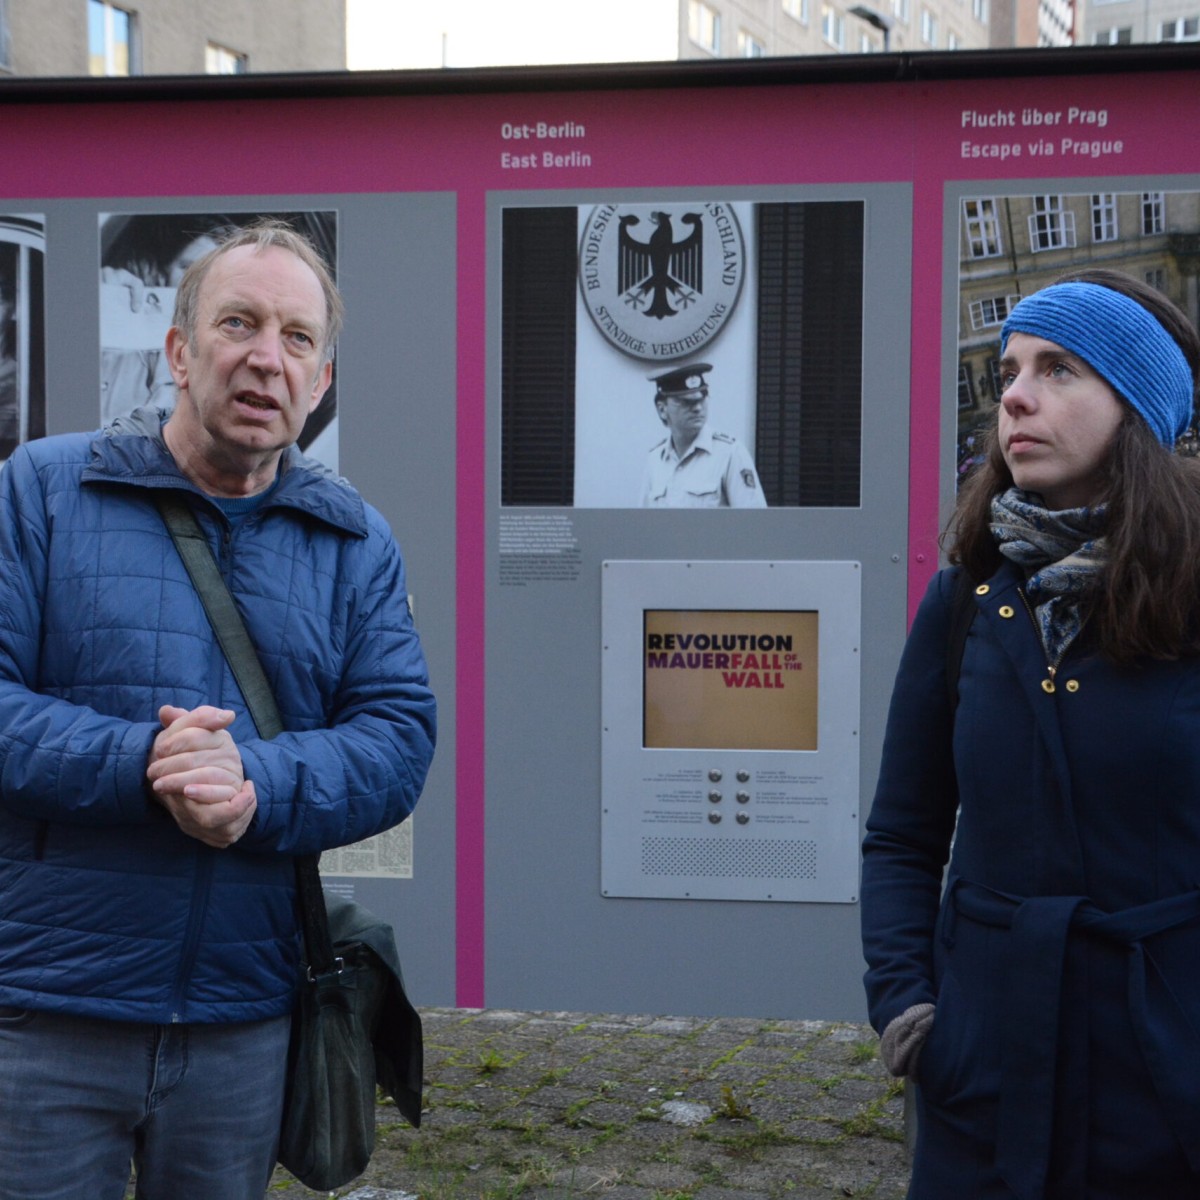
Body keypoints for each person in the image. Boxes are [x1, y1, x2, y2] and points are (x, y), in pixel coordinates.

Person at [0, 219, 436, 1198]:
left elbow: (399, 738)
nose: (264, 357)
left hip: (243, 1021)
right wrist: (145, 767)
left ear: (320, 383)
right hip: (45, 1015)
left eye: (295, 338)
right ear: (179, 352)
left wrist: (257, 782)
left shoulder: (355, 542)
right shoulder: (42, 492)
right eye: (238, 322)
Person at [860, 268, 1200, 1199]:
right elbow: (902, 832)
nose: (1014, 393)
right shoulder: (968, 593)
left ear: (1135, 407)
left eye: (1058, 370)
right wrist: (912, 1011)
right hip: (986, 1062)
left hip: (1166, 1075)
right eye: (1011, 368)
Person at [639, 362, 767, 507]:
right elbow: (644, 523)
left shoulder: (730, 453)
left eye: (702, 399)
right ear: (662, 410)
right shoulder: (656, 460)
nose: (698, 408)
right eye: (686, 402)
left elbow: (753, 522)